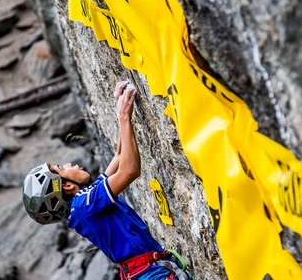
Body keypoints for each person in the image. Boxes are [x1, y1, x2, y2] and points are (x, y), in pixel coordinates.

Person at [22, 81, 191, 280]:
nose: (69, 165)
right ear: (67, 186)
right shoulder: (85, 203)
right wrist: (123, 116)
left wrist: (120, 106)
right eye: (62, 168)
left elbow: (119, 156)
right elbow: (129, 171)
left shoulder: (85, 202)